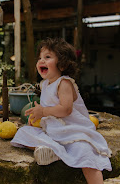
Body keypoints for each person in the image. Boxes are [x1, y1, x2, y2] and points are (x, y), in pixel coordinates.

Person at [10, 38, 112, 184]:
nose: (41, 61)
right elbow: (48, 111)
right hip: (54, 133)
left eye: (47, 57)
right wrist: (37, 118)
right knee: (22, 133)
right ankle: (52, 150)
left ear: (63, 64)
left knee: (86, 154)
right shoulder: (44, 84)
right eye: (40, 58)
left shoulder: (64, 83)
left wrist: (43, 111)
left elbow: (65, 109)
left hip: (74, 133)